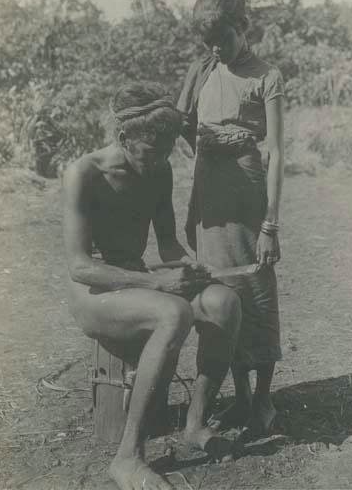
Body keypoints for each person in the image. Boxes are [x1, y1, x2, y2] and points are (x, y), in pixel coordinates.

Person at [62, 82, 241, 490]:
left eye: (165, 151)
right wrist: (156, 281)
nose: (158, 161)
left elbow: (167, 245)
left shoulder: (159, 169)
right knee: (172, 312)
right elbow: (79, 267)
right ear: (123, 136)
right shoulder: (83, 174)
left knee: (223, 303)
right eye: (150, 150)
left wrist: (193, 268)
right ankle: (127, 458)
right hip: (94, 294)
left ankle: (194, 427)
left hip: (138, 279)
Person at [178, 0, 284, 437]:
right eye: (210, 42)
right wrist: (202, 141)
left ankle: (263, 402)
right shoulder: (203, 70)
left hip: (246, 196)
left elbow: (278, 152)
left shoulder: (266, 75)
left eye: (224, 38)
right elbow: (179, 127)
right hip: (210, 198)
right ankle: (239, 397)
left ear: (244, 27)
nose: (218, 49)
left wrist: (270, 225)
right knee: (221, 294)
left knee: (255, 290)